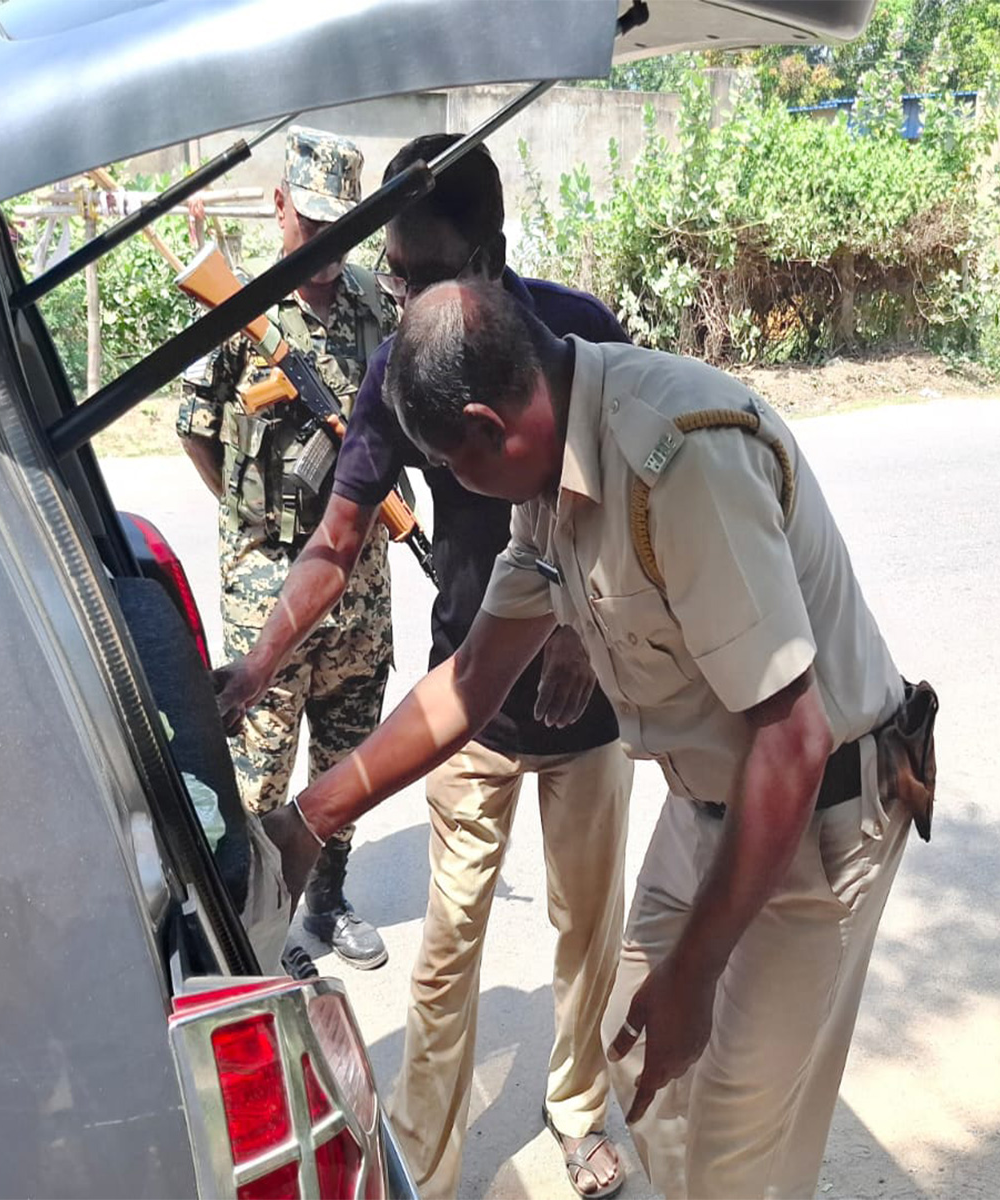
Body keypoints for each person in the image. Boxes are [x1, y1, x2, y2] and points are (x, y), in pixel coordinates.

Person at [260, 277, 935, 1199]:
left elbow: (794, 741)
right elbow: (471, 680)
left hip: (817, 816)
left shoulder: (680, 463)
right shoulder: (550, 476)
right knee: (629, 1044)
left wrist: (696, 973)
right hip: (712, 811)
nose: (456, 488)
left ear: (489, 425)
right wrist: (310, 816)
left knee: (738, 1150)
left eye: (453, 466)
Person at [211, 136, 634, 1199]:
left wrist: (584, 632)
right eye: (393, 272)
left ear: (489, 254)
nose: (399, 294)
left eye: (422, 271)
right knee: (447, 951)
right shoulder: (399, 364)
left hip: (590, 716)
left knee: (589, 928)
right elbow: (335, 538)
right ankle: (425, 1166)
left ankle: (581, 1107)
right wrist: (259, 663)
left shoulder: (580, 334)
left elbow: (640, 510)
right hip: (465, 710)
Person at [177, 128, 394, 970]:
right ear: (280, 205)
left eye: (344, 228)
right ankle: (262, 931)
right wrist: (253, 526)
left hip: (362, 586)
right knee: (258, 776)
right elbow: (198, 434)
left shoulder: (379, 305)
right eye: (315, 224)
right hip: (269, 585)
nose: (330, 248)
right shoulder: (238, 306)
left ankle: (327, 903)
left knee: (347, 761)